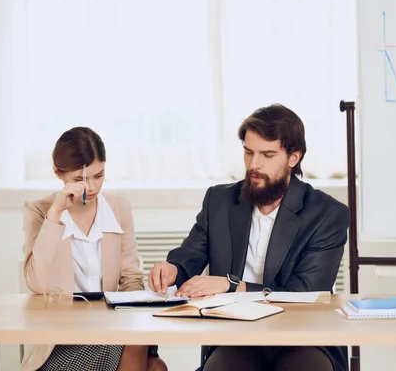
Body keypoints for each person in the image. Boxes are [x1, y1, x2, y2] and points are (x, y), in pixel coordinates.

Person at [149, 104, 350, 371]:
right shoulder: (219, 200)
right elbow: (189, 257)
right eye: (248, 152)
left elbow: (305, 292)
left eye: (267, 155)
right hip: (235, 337)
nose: (254, 165)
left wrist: (234, 287)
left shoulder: (327, 213)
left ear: (293, 157)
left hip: (302, 338)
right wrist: (172, 269)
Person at [21, 127, 167, 371]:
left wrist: (130, 314)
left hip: (111, 326)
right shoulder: (39, 211)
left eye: (98, 175)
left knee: (153, 362)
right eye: (79, 179)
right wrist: (55, 214)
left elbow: (130, 278)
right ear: (58, 173)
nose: (90, 187)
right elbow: (37, 282)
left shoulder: (118, 208)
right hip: (61, 340)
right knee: (152, 365)